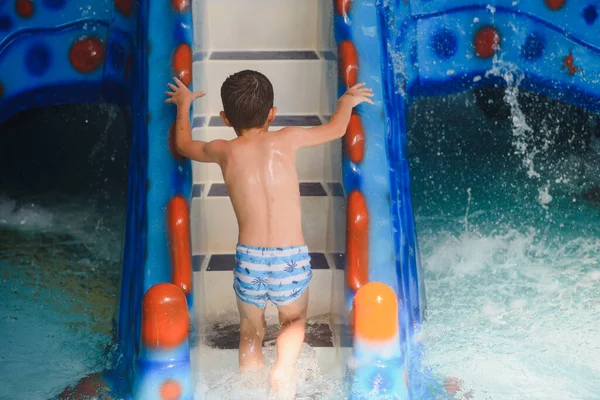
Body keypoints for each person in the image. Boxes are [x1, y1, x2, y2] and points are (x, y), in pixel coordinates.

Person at [165, 70, 373, 396]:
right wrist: (347, 101)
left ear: (224, 118)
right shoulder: (288, 137)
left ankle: (249, 387)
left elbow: (183, 144)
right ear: (272, 114)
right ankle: (282, 371)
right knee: (293, 322)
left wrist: (183, 104)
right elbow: (336, 129)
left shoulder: (224, 150)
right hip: (290, 257)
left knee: (250, 330)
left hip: (249, 258)